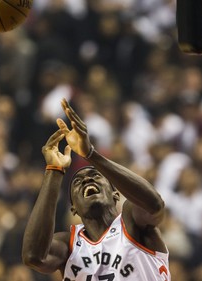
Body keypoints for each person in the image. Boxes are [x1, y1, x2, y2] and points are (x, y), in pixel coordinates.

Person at [22, 99, 171, 280]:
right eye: (77, 182)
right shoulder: (68, 245)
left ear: (115, 193)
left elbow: (154, 204)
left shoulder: (132, 222)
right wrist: (54, 171)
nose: (86, 180)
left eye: (95, 176)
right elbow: (33, 256)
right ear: (73, 207)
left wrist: (91, 154)